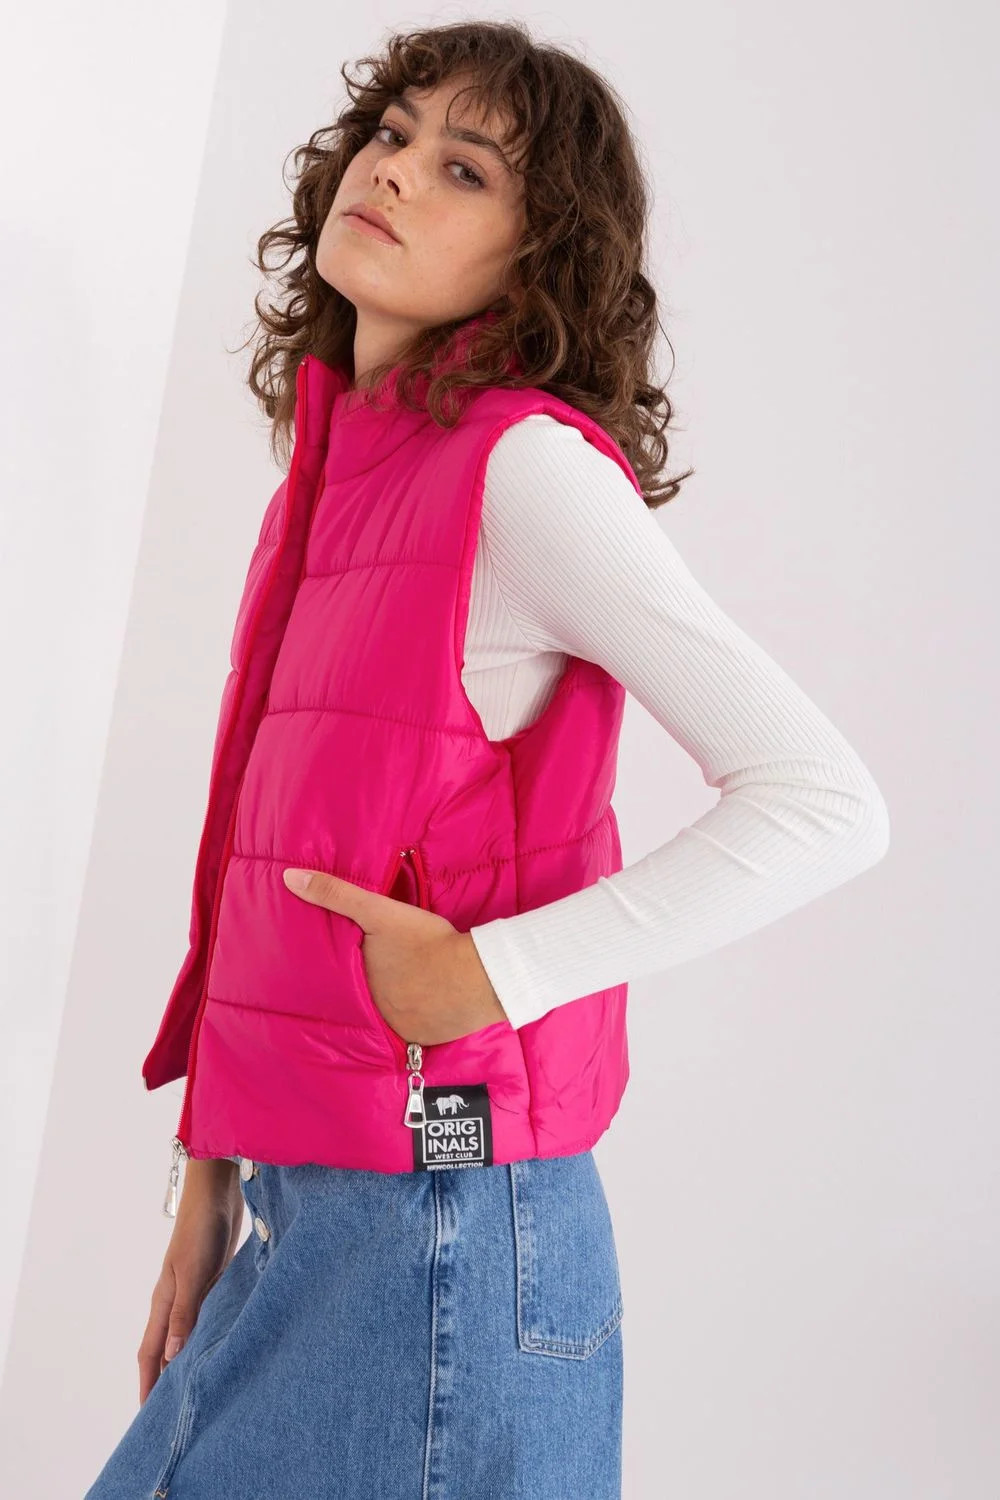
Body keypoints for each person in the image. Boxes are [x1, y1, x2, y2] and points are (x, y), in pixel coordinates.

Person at [84, 20, 890, 1500]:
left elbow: (825, 801)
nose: (394, 171)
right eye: (393, 135)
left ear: (537, 261)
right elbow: (266, 876)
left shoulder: (521, 471)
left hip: (442, 1229)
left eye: (465, 169)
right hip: (320, 1214)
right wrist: (209, 1172)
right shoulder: (340, 473)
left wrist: (493, 974)